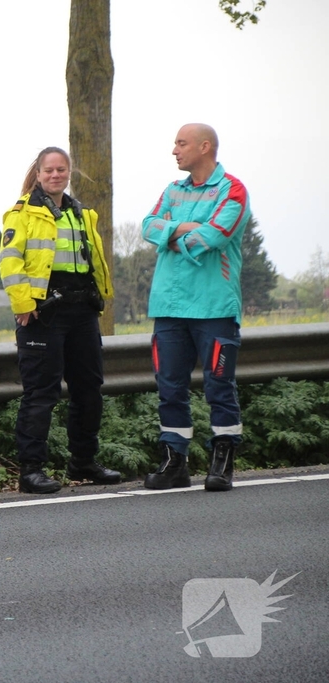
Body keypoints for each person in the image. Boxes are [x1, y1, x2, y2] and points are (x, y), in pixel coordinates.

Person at [0, 147, 119, 494]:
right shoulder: (21, 213)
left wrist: (100, 298)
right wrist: (23, 304)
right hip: (43, 313)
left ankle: (84, 462)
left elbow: (92, 259)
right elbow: (10, 262)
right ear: (38, 174)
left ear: (70, 173)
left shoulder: (81, 213)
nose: (55, 175)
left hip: (82, 311)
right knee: (41, 392)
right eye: (49, 170)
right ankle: (31, 469)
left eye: (61, 170)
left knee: (89, 389)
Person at [141, 123, 250, 492]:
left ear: (205, 147)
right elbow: (147, 225)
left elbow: (215, 235)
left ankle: (222, 460)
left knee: (219, 387)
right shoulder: (173, 189)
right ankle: (175, 461)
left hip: (214, 307)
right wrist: (185, 230)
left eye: (181, 143)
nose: (174, 150)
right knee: (169, 387)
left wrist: (173, 234)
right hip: (169, 306)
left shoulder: (232, 190)